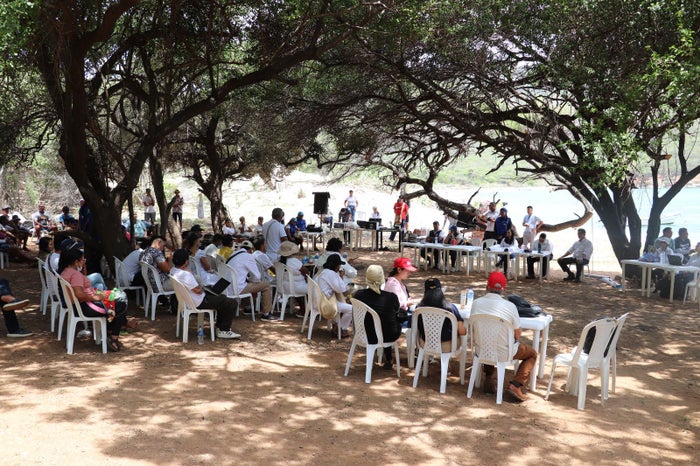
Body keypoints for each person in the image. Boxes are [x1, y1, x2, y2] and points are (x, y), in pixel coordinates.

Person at [470, 271, 538, 402]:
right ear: (503, 290)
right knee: (532, 354)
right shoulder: (510, 306)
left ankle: (488, 376)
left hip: (482, 349)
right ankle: (516, 385)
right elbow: (518, 333)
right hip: (504, 352)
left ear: (486, 287)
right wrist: (514, 340)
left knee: (487, 340)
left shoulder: (476, 303)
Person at [59, 247, 127, 351]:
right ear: (76, 262)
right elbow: (79, 294)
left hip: (77, 306)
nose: (84, 261)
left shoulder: (66, 272)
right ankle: (113, 337)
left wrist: (83, 270)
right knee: (121, 302)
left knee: (117, 298)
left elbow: (82, 285)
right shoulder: (75, 274)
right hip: (85, 307)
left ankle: (110, 329)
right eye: (82, 260)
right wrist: (97, 297)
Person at [170, 249, 240, 339]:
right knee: (231, 303)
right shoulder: (186, 274)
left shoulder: (173, 270)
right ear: (186, 262)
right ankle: (224, 330)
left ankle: (220, 327)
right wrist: (202, 288)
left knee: (221, 298)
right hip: (199, 301)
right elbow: (198, 290)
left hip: (188, 300)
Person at [353, 265, 403, 369]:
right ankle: (388, 357)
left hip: (364, 334)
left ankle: (387, 357)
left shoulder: (358, 295)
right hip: (388, 335)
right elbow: (396, 310)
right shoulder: (391, 297)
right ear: (381, 279)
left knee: (382, 322)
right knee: (387, 323)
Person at [226, 240, 276, 320]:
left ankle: (248, 307)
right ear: (251, 249)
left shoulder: (233, 254)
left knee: (248, 282)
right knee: (266, 285)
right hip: (237, 288)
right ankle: (266, 314)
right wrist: (254, 282)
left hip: (226, 288)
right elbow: (257, 276)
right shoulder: (248, 256)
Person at [416, 278, 467, 351]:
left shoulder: (419, 308)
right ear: (440, 290)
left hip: (425, 343)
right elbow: (462, 332)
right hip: (447, 345)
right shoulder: (451, 308)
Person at [316, 254, 353, 338]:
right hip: (326, 304)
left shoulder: (323, 272)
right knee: (351, 309)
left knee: (340, 302)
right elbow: (341, 289)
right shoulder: (331, 274)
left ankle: (336, 325)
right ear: (336, 265)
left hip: (319, 301)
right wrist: (341, 276)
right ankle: (341, 328)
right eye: (339, 265)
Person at [139, 236, 176, 311]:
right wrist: (170, 259)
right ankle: (181, 308)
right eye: (163, 246)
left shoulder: (143, 252)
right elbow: (167, 269)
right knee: (183, 282)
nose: (163, 248)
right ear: (159, 243)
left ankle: (175, 306)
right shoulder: (157, 252)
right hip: (160, 284)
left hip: (150, 284)